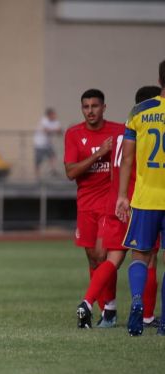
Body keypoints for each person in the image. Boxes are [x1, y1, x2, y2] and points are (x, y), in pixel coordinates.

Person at [75, 86, 160, 328]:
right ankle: (147, 316)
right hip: (140, 202)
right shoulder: (147, 131)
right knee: (148, 258)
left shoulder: (122, 133)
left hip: (115, 201)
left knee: (112, 258)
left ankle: (88, 303)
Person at [64, 89, 123, 326]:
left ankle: (108, 310)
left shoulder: (118, 131)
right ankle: (105, 310)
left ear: (104, 108)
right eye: (86, 107)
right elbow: (71, 172)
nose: (90, 111)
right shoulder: (74, 134)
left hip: (109, 203)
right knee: (93, 259)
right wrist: (99, 154)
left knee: (102, 254)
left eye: (95, 106)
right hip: (85, 204)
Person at [116, 60, 165, 337]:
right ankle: (164, 322)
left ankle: (137, 301)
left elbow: (127, 159)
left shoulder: (139, 111)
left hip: (145, 198)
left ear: (159, 80)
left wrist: (123, 195)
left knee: (141, 256)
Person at [33, 108, 62, 180]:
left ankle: (53, 170)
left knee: (53, 156)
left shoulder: (56, 122)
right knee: (38, 161)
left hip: (48, 144)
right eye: (53, 114)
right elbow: (46, 130)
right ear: (49, 115)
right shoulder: (44, 120)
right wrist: (55, 130)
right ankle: (37, 176)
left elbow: (59, 131)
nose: (55, 116)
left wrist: (56, 130)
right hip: (39, 144)